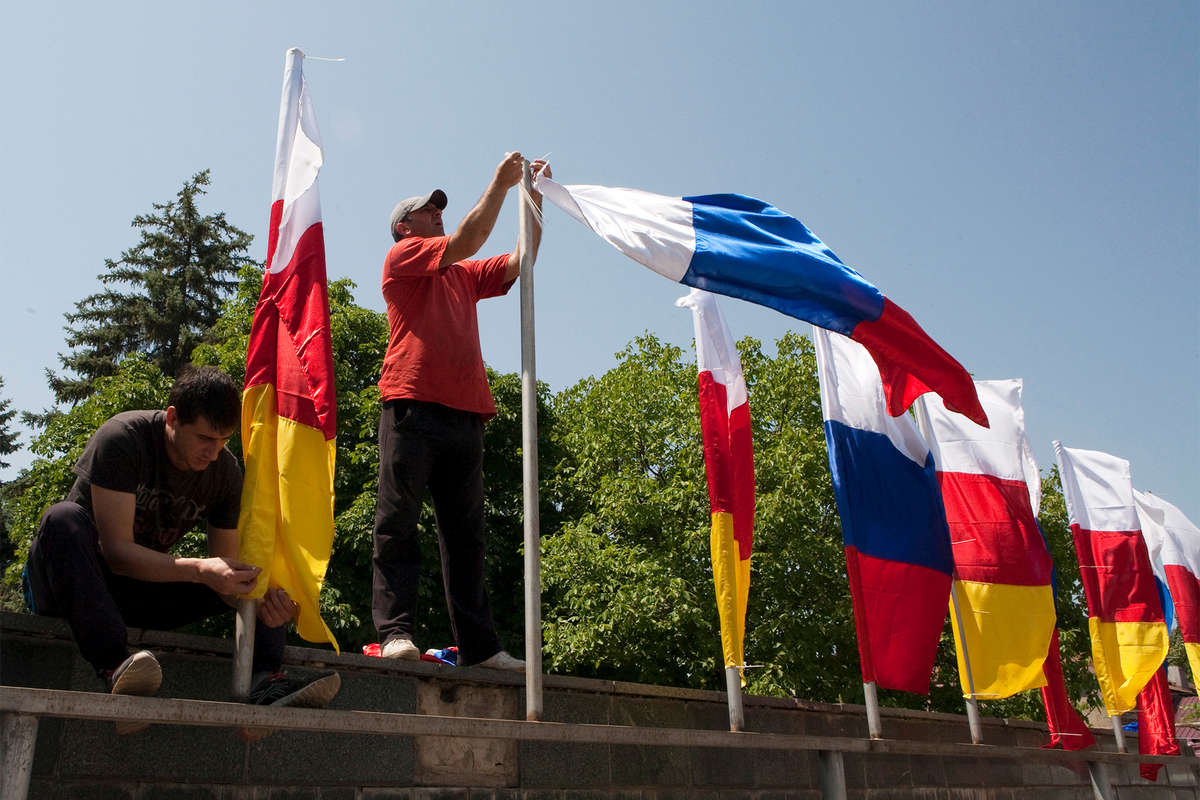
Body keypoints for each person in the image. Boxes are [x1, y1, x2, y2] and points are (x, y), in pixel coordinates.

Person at [23, 367, 340, 725]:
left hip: (136, 592)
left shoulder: (224, 472)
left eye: (223, 441)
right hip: (70, 582)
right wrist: (201, 569)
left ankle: (265, 680)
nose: (213, 453)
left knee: (252, 571)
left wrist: (265, 601)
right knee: (62, 518)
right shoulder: (123, 438)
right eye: (204, 438)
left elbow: (229, 574)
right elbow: (116, 553)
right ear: (172, 418)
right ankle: (115, 666)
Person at [373, 152, 549, 669]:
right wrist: (499, 183)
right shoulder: (403, 257)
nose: (437, 214)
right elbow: (470, 239)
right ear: (404, 228)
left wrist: (533, 199)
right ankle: (395, 634)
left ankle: (480, 648)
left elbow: (521, 260)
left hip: (465, 413)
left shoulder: (463, 275)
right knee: (398, 523)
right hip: (411, 403)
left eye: (439, 209)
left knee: (467, 538)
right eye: (427, 210)